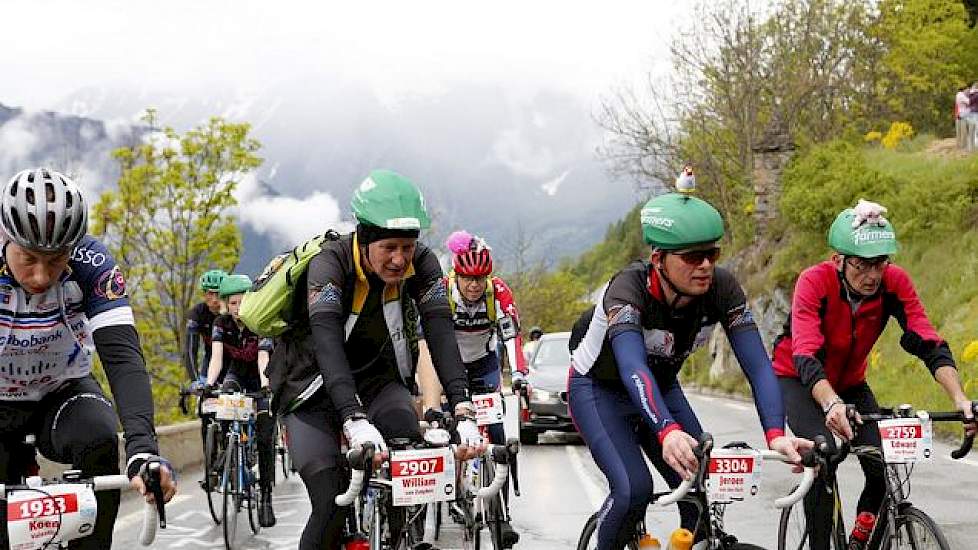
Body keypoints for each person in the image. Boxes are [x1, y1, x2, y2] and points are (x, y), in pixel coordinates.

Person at [567, 191, 810, 550]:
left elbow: (759, 366)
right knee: (633, 490)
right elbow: (632, 366)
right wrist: (667, 431)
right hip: (599, 390)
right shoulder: (627, 290)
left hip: (660, 388)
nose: (706, 266)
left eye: (712, 254)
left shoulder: (722, 288)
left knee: (700, 488)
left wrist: (776, 433)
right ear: (658, 259)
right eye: (693, 256)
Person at [265, 169, 481, 550]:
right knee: (331, 500)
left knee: (406, 450)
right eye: (389, 248)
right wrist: (352, 418)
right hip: (309, 390)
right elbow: (328, 344)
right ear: (364, 239)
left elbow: (441, 333)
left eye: (407, 247)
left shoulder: (423, 263)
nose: (400, 260)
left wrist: (462, 408)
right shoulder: (330, 264)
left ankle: (396, 534)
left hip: (377, 382)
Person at [772, 199, 976, 550]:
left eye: (880, 264)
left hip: (850, 383)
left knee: (882, 462)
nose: (872, 276)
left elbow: (927, 340)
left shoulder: (893, 283)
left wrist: (960, 400)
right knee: (825, 455)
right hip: (800, 381)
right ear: (838, 260)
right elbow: (805, 353)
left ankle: (859, 540)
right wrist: (831, 404)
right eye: (862, 266)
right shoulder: (814, 282)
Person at [0, 167, 176, 549]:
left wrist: (144, 450)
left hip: (61, 393)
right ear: (6, 238)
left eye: (57, 258)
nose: (43, 276)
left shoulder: (93, 264)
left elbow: (123, 358)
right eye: (28, 258)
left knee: (98, 437)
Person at [442, 229, 528, 547]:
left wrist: (519, 373)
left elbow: (512, 336)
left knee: (497, 434)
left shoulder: (498, 292)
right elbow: (428, 341)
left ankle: (502, 514)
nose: (475, 285)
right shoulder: (444, 292)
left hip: (484, 365)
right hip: (449, 367)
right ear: (457, 275)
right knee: (452, 431)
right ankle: (453, 490)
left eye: (481, 278)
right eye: (468, 278)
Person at [205, 273, 277, 527]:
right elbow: (216, 357)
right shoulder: (220, 323)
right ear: (226, 303)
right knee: (224, 401)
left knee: (267, 435)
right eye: (232, 303)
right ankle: (230, 454)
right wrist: (209, 383)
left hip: (260, 378)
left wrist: (267, 385)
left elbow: (263, 358)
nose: (237, 308)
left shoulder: (259, 321)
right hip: (236, 374)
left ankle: (266, 495)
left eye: (241, 302)